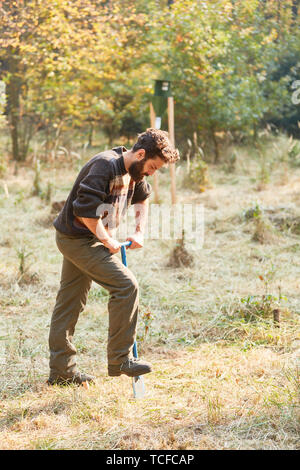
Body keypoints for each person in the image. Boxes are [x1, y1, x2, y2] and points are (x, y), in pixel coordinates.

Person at [47, 128, 180, 386]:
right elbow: (85, 211)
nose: (151, 173)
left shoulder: (134, 171)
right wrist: (108, 241)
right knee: (126, 286)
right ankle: (121, 359)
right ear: (140, 154)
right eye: (152, 166)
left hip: (91, 238)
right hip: (77, 239)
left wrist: (139, 231)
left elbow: (143, 198)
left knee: (69, 303)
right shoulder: (104, 166)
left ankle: (61, 372)